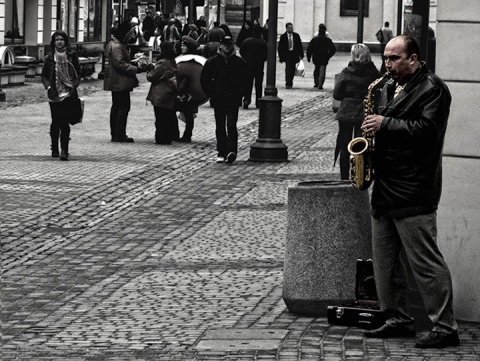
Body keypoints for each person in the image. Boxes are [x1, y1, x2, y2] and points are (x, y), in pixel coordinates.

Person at [361, 35, 459, 349]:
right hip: (386, 186)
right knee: (385, 261)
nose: (387, 64)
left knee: (425, 263)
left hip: (414, 189)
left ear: (413, 59)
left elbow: (427, 132)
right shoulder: (390, 85)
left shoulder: (433, 89)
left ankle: (444, 327)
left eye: (394, 58)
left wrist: (384, 124)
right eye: (386, 58)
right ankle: (397, 318)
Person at [332, 43, 380, 179]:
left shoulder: (347, 72)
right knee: (361, 146)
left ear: (353, 55)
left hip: (346, 111)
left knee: (345, 145)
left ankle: (344, 178)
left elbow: (337, 94)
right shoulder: (374, 73)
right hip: (364, 112)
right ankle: (359, 175)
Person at [200, 36, 248, 164]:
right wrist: (212, 93)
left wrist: (240, 93)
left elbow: (246, 81)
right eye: (225, 44)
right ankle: (221, 152)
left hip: (233, 99)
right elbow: (204, 80)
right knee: (220, 126)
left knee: (231, 125)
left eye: (229, 44)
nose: (227, 47)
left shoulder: (239, 62)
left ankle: (231, 151)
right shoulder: (212, 62)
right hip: (219, 98)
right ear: (221, 45)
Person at [41, 30, 82, 161]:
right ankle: (54, 147)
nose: (59, 42)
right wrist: (48, 87)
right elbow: (44, 76)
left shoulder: (71, 55)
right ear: (53, 42)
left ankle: (65, 149)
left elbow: (77, 74)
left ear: (65, 41)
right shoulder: (49, 58)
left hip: (68, 93)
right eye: (57, 40)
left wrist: (74, 85)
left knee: (64, 122)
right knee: (55, 121)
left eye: (61, 39)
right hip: (54, 94)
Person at [104, 26, 144, 143]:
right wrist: (136, 68)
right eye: (130, 34)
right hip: (119, 81)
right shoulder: (117, 46)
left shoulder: (115, 44)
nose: (132, 36)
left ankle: (116, 133)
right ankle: (119, 134)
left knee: (117, 106)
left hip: (116, 80)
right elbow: (120, 64)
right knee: (123, 107)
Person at [146, 41, 179, 144]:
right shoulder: (172, 61)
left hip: (160, 92)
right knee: (167, 115)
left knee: (160, 117)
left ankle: (161, 138)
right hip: (168, 92)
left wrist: (148, 70)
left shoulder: (163, 62)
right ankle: (168, 136)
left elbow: (152, 76)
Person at [176, 36, 201, 142]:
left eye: (184, 46)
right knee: (185, 113)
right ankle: (180, 134)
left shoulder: (192, 60)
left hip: (189, 91)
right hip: (182, 90)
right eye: (181, 45)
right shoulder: (181, 57)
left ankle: (187, 135)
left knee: (188, 114)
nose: (182, 47)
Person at [240, 25, 267, 109]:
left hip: (248, 66)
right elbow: (266, 55)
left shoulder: (246, 41)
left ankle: (246, 100)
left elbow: (241, 52)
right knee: (258, 84)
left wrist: (246, 58)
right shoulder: (263, 43)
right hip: (259, 66)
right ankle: (258, 101)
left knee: (248, 84)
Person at [306, 25, 336, 89]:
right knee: (322, 70)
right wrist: (329, 55)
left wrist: (308, 57)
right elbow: (333, 49)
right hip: (324, 56)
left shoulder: (314, 39)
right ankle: (320, 84)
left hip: (316, 56)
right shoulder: (327, 40)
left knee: (316, 69)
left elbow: (309, 49)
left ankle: (316, 82)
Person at [278, 22, 304, 89]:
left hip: (294, 54)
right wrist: (281, 57)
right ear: (286, 28)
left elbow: (299, 45)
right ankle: (287, 83)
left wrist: (301, 54)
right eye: (290, 28)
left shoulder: (296, 36)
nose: (291, 29)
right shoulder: (283, 36)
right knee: (288, 68)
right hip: (287, 54)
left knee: (292, 69)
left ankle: (290, 81)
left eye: (292, 27)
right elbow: (280, 47)